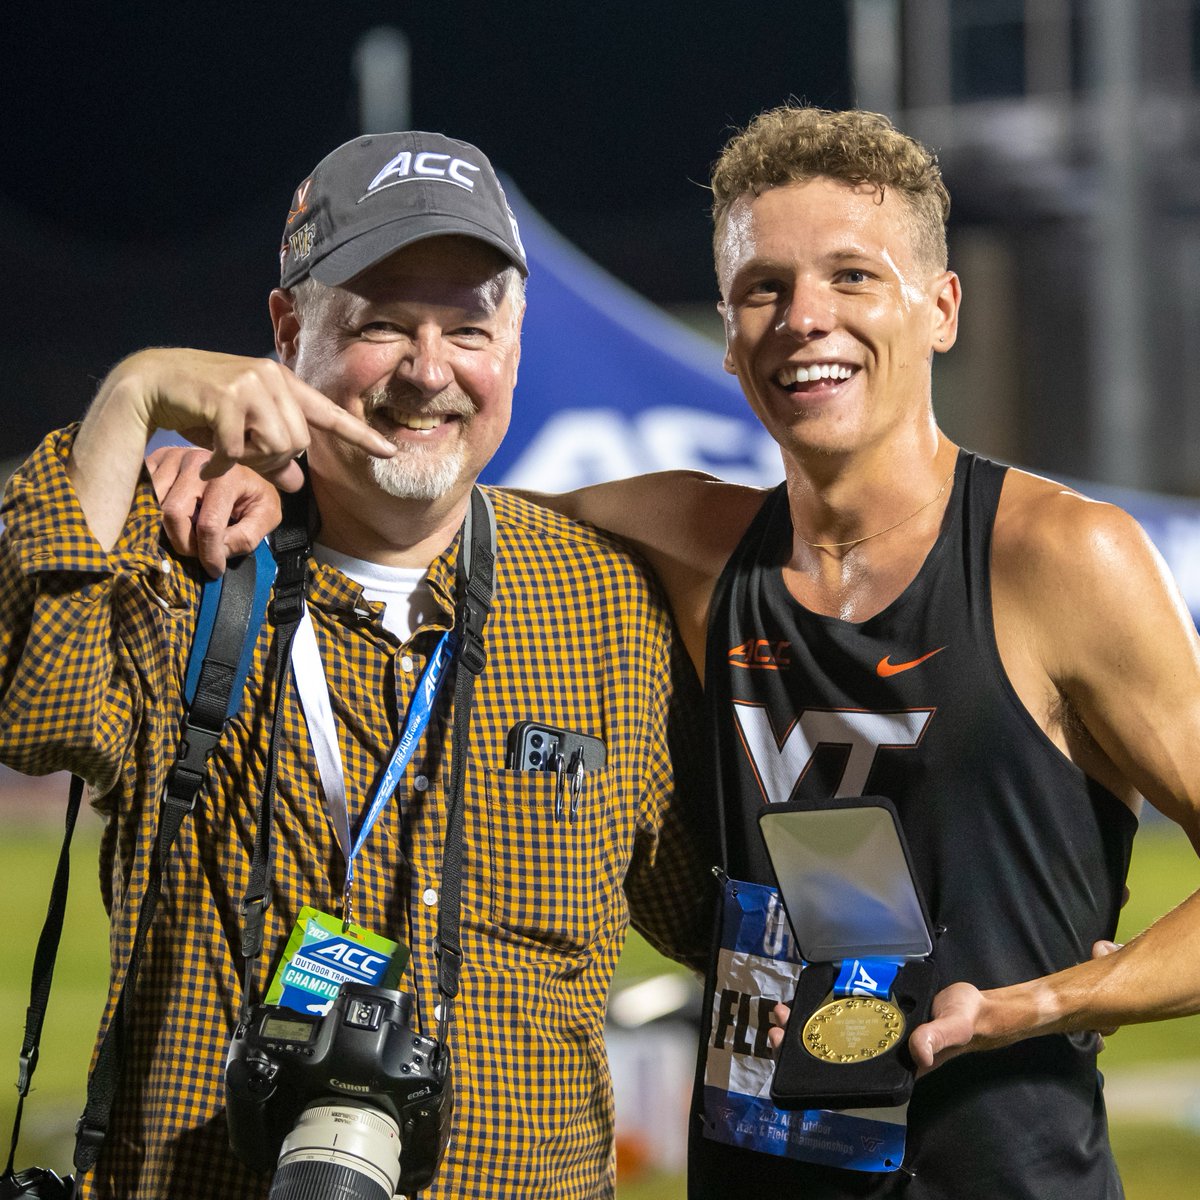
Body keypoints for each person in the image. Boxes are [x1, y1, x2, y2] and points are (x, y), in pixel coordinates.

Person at [169, 105, 1200, 1197]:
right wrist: (267, 482)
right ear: (728, 330)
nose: (807, 318)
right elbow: (427, 498)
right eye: (767, 288)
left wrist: (1051, 1004)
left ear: (940, 309)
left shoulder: (1060, 557)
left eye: (853, 276)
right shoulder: (691, 542)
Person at [0, 130, 714, 1200]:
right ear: (288, 331)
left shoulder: (604, 602)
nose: (431, 372)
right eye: (382, 325)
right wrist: (136, 394)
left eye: (469, 329)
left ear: (515, 345)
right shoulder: (188, 559)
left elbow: (712, 913)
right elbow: (34, 708)